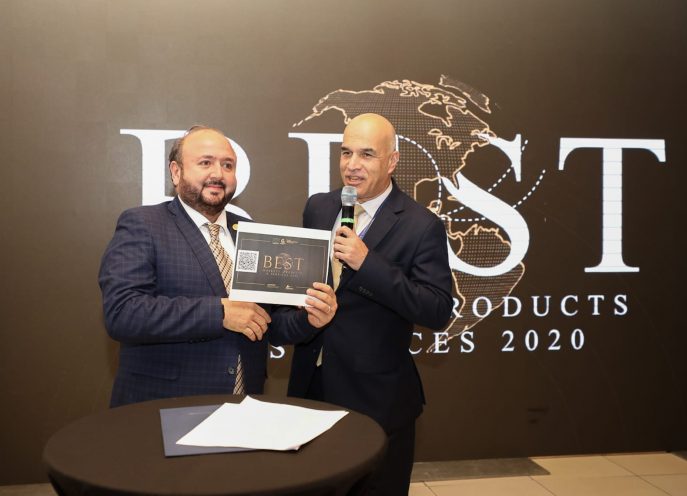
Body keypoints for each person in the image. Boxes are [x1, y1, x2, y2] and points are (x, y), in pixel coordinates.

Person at [99, 125, 336, 407]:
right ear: (176, 172)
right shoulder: (144, 224)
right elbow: (123, 313)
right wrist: (220, 312)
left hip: (243, 405)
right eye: (205, 163)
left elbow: (267, 323)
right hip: (166, 407)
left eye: (227, 165)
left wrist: (309, 319)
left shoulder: (250, 232)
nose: (218, 174)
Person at [288, 114, 453, 494]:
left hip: (377, 400)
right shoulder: (319, 207)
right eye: (346, 152)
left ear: (392, 161)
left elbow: (436, 310)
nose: (352, 165)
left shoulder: (420, 225)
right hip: (311, 386)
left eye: (366, 154)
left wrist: (368, 264)